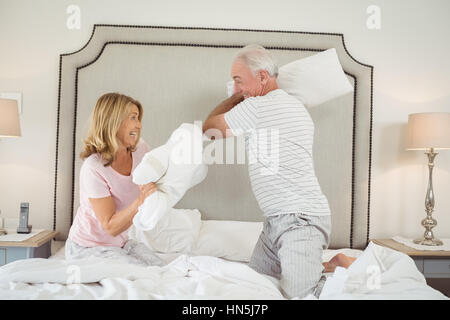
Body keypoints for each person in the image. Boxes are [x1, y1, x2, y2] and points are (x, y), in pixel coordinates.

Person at [202, 44, 356, 298]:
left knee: (301, 296)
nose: (236, 87)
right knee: (254, 287)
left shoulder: (257, 107)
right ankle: (322, 266)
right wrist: (243, 90)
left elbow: (209, 129)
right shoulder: (294, 105)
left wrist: (235, 97)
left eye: (238, 80)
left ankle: (346, 267)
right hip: (276, 221)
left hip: (299, 221)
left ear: (262, 76)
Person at [65, 92, 164, 266]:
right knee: (139, 274)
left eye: (138, 118)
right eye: (133, 117)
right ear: (114, 121)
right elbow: (110, 227)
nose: (139, 125)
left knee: (162, 269)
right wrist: (141, 200)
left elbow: (158, 176)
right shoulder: (94, 168)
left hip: (120, 244)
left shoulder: (141, 149)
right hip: (87, 247)